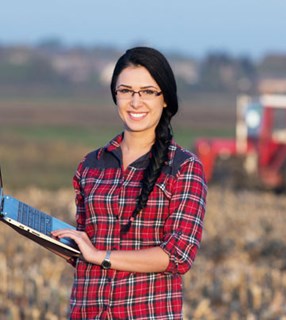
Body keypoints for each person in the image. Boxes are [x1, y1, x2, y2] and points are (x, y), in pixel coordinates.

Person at [52, 47, 207, 319]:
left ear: (166, 99)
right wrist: (37, 230)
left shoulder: (184, 167)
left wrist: (101, 256)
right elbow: (85, 249)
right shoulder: (90, 165)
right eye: (126, 91)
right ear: (115, 95)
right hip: (87, 312)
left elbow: (178, 255)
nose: (135, 102)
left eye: (148, 92)